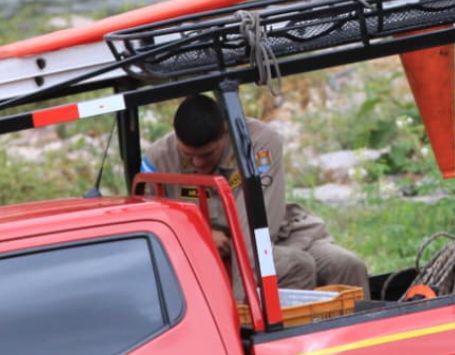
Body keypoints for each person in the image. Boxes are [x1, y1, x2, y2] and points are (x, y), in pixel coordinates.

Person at [143, 94, 370, 294]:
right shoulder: (157, 160)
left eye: (208, 154)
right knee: (296, 265)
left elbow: (252, 225)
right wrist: (201, 234)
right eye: (188, 156)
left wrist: (243, 299)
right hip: (211, 249)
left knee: (348, 266)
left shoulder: (257, 142)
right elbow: (151, 224)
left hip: (270, 234)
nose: (198, 163)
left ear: (225, 132)